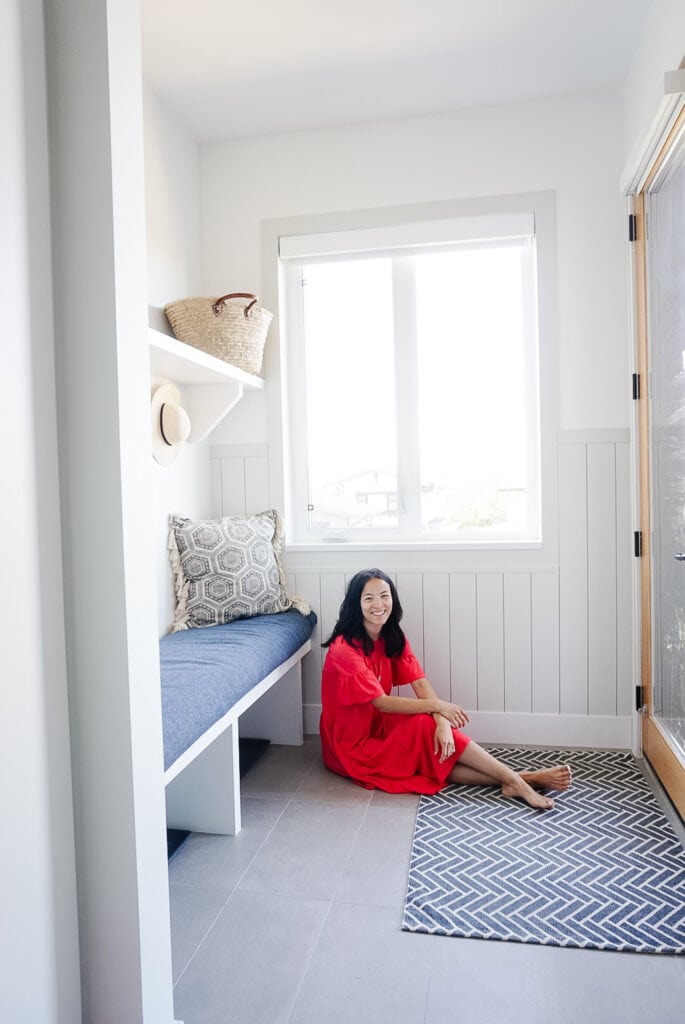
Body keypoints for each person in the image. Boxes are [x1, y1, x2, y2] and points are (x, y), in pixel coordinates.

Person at [320, 568, 571, 810]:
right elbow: (382, 701)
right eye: (369, 598)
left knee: (433, 736)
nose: (379, 605)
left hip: (380, 725)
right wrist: (438, 707)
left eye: (385, 596)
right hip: (352, 743)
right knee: (425, 732)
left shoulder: (391, 635)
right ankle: (519, 779)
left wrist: (442, 723)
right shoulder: (344, 649)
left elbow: (418, 682)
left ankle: (516, 780)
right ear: (356, 604)